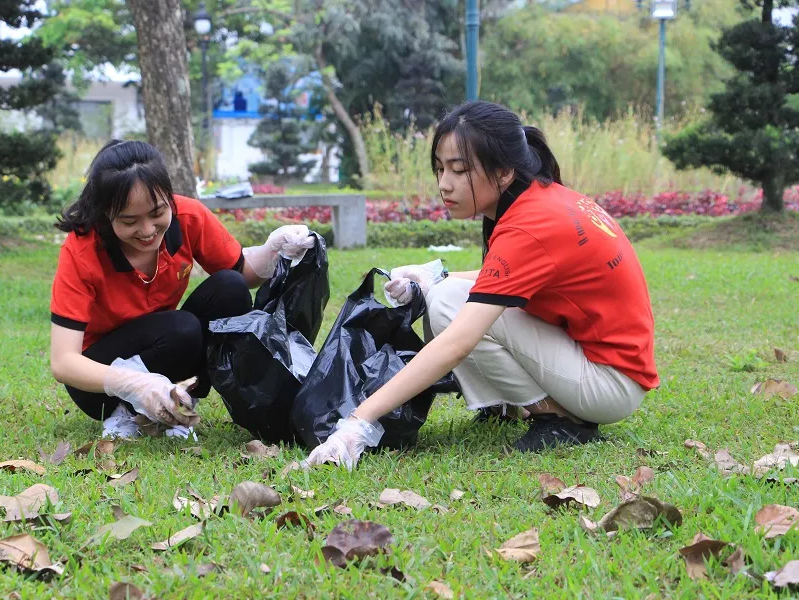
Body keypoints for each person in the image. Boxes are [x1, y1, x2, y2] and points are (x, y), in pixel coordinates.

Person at [302, 101, 659, 468]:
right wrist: (433, 276)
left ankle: (558, 418)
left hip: (609, 383)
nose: (444, 183)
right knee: (444, 293)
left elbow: (458, 342)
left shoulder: (529, 225)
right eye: (440, 169)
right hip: (602, 363)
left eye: (460, 170)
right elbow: (505, 276)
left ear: (504, 171)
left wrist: (358, 422)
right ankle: (508, 406)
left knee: (446, 306)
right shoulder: (539, 198)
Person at [49, 140, 313, 436]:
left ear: (169, 198)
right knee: (182, 327)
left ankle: (178, 403)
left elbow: (243, 274)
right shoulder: (83, 249)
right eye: (129, 221)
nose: (147, 230)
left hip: (164, 344)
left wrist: (272, 250)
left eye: (157, 212)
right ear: (104, 215)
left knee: (230, 286)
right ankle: (125, 412)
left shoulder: (190, 217)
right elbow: (63, 362)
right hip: (98, 386)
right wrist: (132, 382)